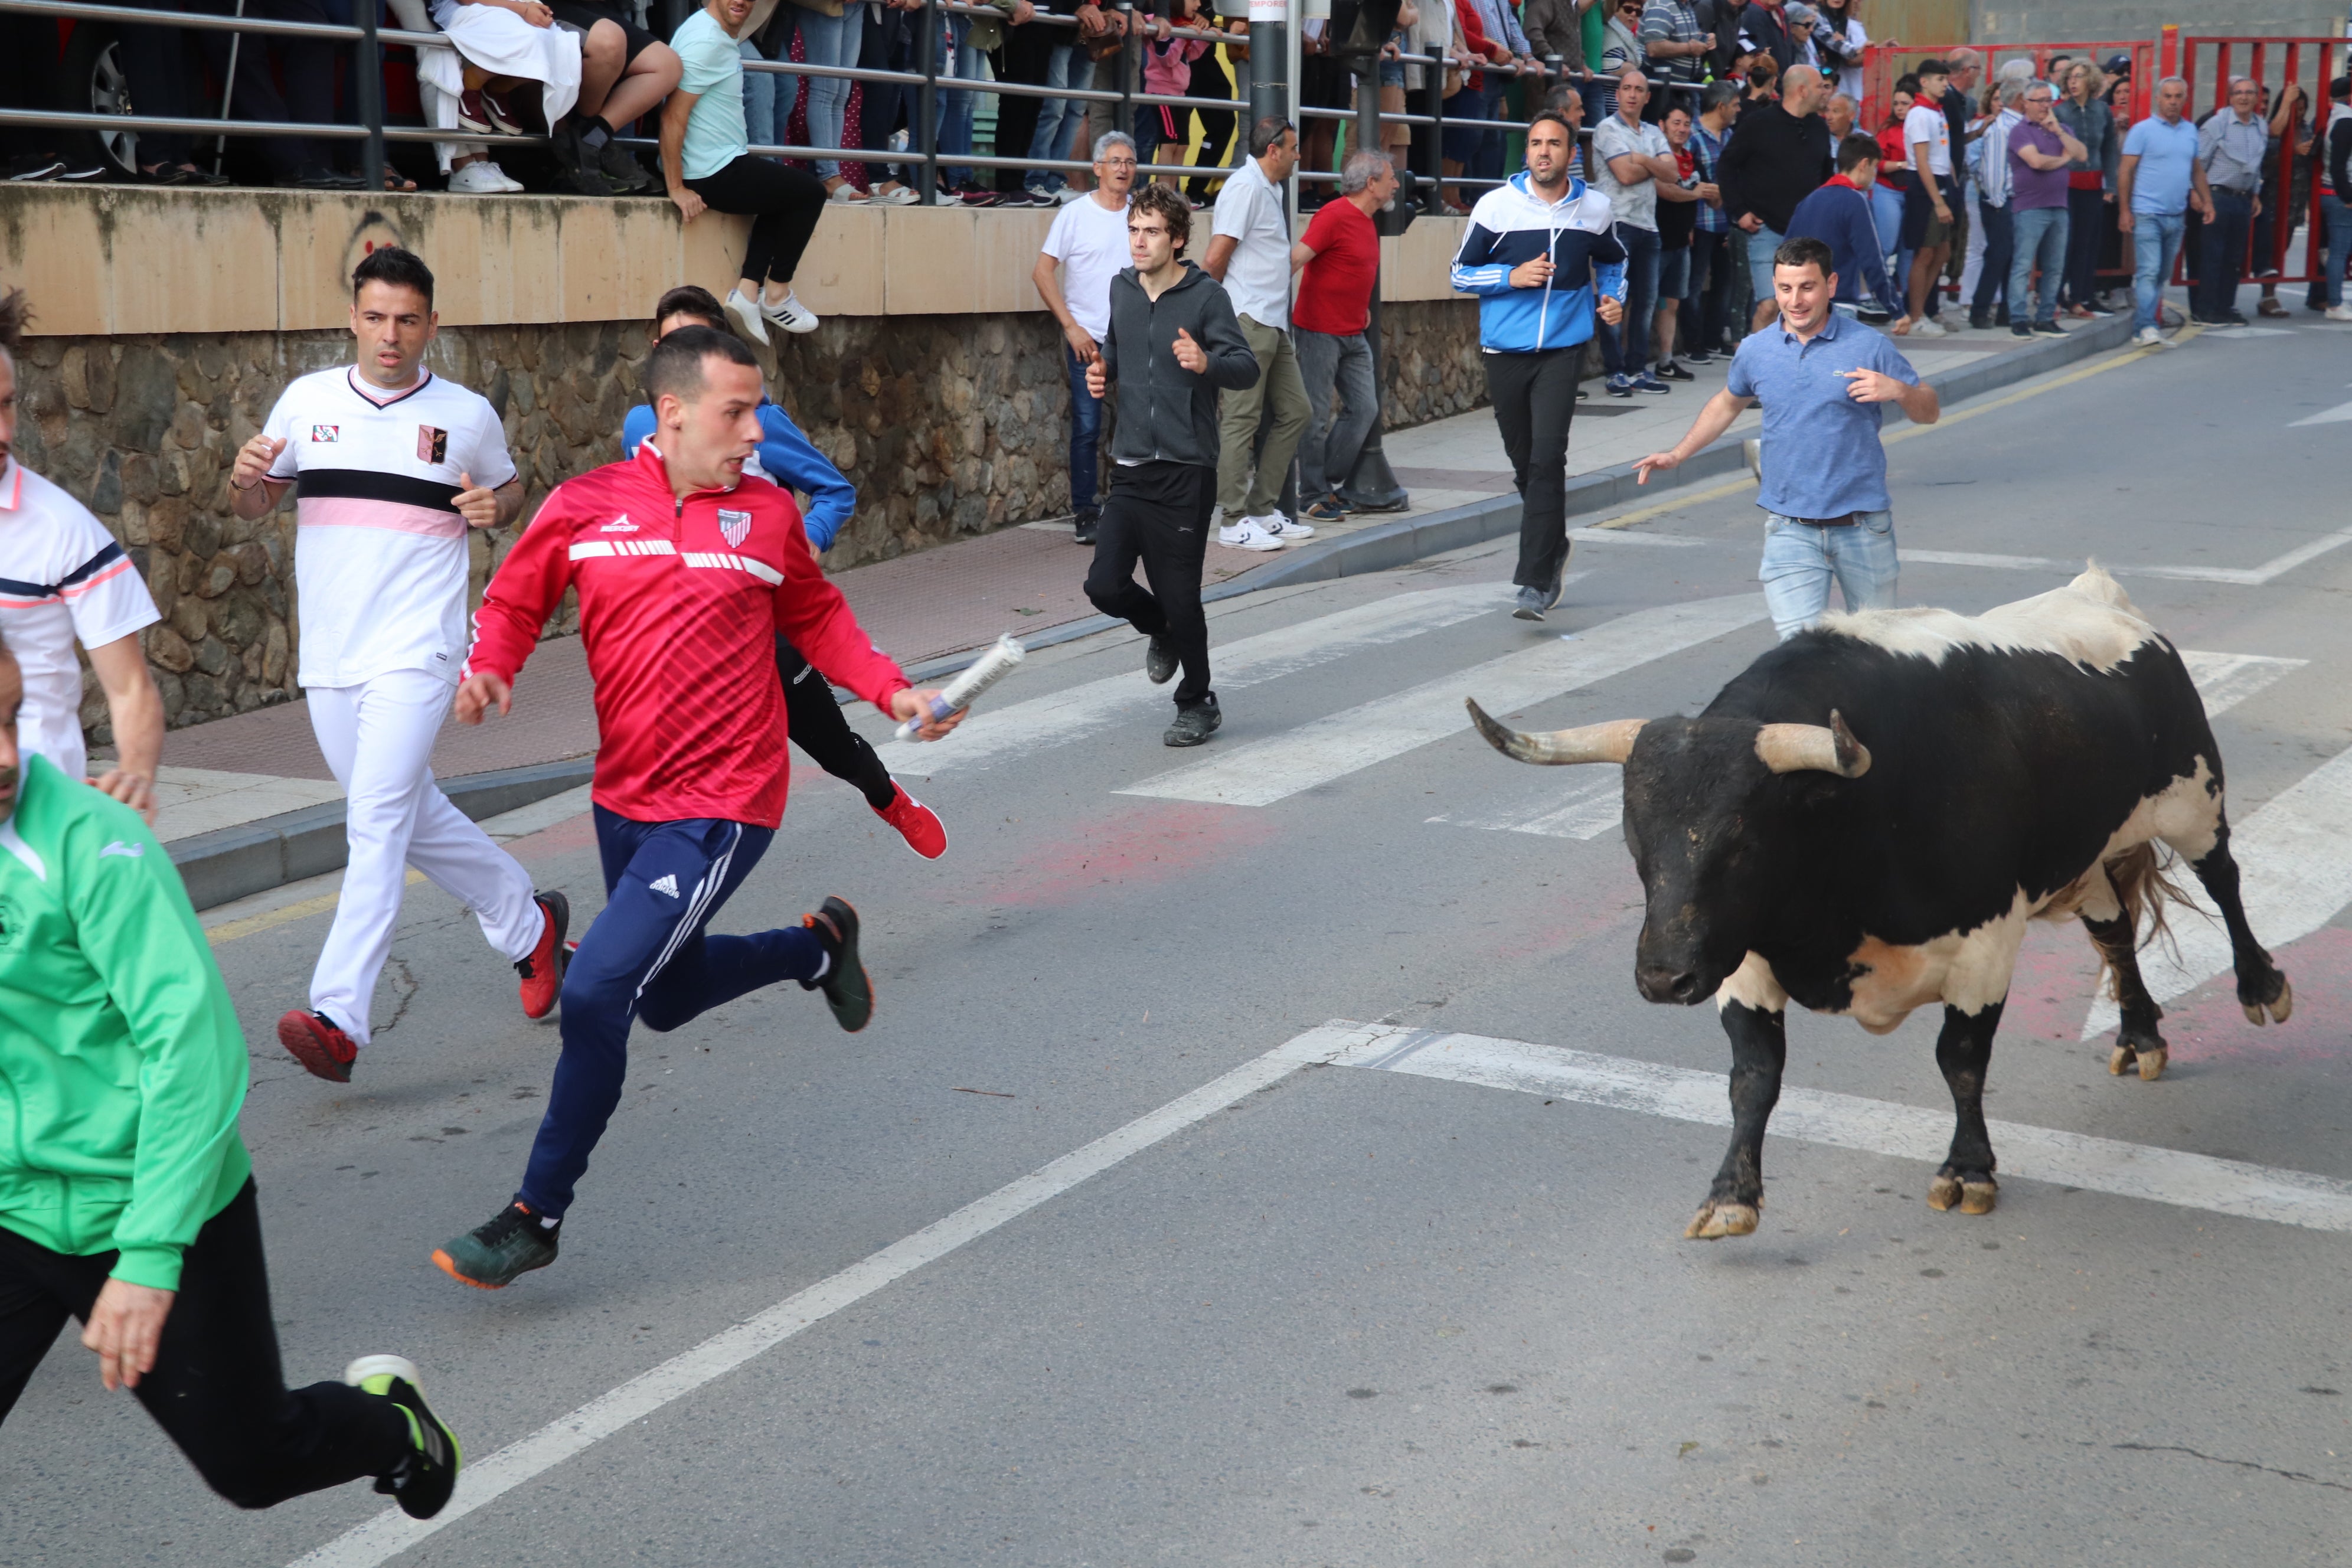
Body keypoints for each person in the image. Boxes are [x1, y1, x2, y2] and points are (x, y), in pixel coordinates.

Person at [434, 328, 961, 1289]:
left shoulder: (764, 518)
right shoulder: (585, 506)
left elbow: (816, 618)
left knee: (595, 988)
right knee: (666, 995)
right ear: (671, 412)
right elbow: (514, 602)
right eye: (737, 410)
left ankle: (534, 1213)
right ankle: (816, 949)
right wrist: (492, 668)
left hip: (723, 802)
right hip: (625, 796)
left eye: (758, 409)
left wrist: (892, 693)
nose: (756, 432)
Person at [0, 628, 465, 1519]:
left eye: (12, 718)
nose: (6, 756)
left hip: (145, 1199)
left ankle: (392, 1426)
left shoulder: (90, 845)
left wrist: (146, 1254)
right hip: (11, 1207)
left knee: (254, 1463)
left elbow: (194, 1049)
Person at [229, 249, 563, 1086]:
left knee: (375, 822)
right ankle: (529, 928)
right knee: (406, 810)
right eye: (376, 317)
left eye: (407, 320)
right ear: (353, 317)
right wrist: (244, 482)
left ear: (431, 326)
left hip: (419, 649)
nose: (390, 335)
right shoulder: (306, 403)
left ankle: (339, 1015)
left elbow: (510, 491)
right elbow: (256, 498)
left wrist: (495, 509)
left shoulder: (466, 415)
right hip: (332, 654)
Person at [619, 288, 946, 857]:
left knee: (834, 748)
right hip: (685, 632)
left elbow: (834, 492)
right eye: (674, 346)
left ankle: (889, 798)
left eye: (700, 345)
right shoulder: (637, 427)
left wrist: (808, 541)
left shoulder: (762, 425)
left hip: (766, 621)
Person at [1633, 234, 1937, 639]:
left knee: (1876, 653)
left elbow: (1929, 410)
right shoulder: (1757, 350)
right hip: (1790, 528)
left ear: (1830, 285)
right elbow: (1727, 403)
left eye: (1807, 287)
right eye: (1785, 288)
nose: (1795, 300)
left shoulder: (1868, 345)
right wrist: (1677, 454)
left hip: (1862, 526)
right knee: (1799, 658)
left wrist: (1900, 391)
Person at [1082, 183, 1260, 748]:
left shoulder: (1206, 299)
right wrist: (1102, 372)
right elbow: (1117, 346)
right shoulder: (1122, 289)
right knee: (1104, 585)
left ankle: (1198, 702)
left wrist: (1206, 361)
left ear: (1177, 240)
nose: (1139, 241)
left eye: (1152, 231)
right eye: (1134, 230)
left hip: (1187, 469)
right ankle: (1158, 627)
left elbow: (1245, 366)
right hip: (1132, 466)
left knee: (1182, 593)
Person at [1450, 109, 1628, 622]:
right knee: (1526, 463)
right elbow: (1460, 274)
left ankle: (1534, 581)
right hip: (1504, 352)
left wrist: (1613, 297)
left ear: (1572, 154)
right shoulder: (1496, 207)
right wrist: (1512, 275)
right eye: (1535, 144)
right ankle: (1555, 544)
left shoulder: (1594, 209)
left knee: (1549, 458)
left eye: (1554, 143)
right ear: (1526, 152)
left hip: (1563, 351)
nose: (1544, 152)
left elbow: (1614, 261)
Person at [0, 290, 165, 821]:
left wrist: (134, 778)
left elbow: (131, 688)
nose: (4, 432)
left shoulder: (64, 529)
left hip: (40, 816)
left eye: (5, 405)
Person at [664, 0, 830, 341]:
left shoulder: (712, 32)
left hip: (721, 160)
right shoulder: (706, 40)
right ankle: (777, 294)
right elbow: (672, 117)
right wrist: (676, 186)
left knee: (782, 193)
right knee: (810, 193)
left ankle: (748, 292)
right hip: (710, 171)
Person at [1205, 118, 1314, 550]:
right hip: (1247, 320)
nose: (1298, 155)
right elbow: (1216, 257)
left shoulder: (1272, 187)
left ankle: (1261, 509)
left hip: (1273, 321)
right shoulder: (1246, 187)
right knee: (1241, 420)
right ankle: (1232, 522)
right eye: (1293, 148)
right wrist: (1204, 315)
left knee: (1297, 411)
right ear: (1273, 150)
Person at [1034, 134, 1139, 546]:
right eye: (1114, 161)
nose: (1123, 168)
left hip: (1134, 338)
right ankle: (1086, 511)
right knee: (1088, 428)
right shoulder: (1075, 214)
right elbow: (1043, 273)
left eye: (1130, 161)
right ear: (1097, 168)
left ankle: (1134, 507)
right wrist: (1071, 327)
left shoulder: (1141, 214)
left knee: (1138, 423)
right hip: (1088, 341)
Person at [1292, 149, 1398, 522]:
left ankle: (1324, 482)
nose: (1396, 184)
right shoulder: (1334, 215)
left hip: (1354, 333)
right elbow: (1295, 260)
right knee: (1316, 416)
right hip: (1319, 331)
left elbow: (1352, 269)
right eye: (1391, 178)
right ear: (1372, 184)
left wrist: (1360, 307)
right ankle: (1312, 494)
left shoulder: (1367, 220)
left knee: (1365, 408)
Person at [1718, 61, 1834, 332]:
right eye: (1820, 87)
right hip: (1766, 229)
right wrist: (1739, 211)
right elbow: (1727, 165)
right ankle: (1756, 369)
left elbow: (1827, 176)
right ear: (1802, 91)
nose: (1825, 92)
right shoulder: (1759, 123)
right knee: (1770, 305)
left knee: (1807, 306)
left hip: (1809, 232)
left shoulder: (1820, 128)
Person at [1592, 70, 1676, 394]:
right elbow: (1625, 175)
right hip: (1616, 225)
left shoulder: (1653, 132)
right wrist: (1650, 164)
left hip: (1648, 226)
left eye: (1638, 90)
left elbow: (1671, 174)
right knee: (1614, 298)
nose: (1631, 94)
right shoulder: (1606, 128)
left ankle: (1638, 369)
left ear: (1647, 97)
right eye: (1626, 88)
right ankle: (1615, 372)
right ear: (1618, 94)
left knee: (1646, 302)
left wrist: (1641, 158)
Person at [2119, 76, 2211, 348]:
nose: (2173, 102)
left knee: (2161, 274)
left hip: (2176, 214)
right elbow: (2125, 170)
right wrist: (2125, 210)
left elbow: (2195, 169)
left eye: (2178, 97)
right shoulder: (2142, 130)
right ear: (2158, 99)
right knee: (2149, 271)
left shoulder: (2190, 131)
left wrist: (2207, 201)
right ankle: (2146, 327)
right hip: (2147, 212)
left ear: (2185, 99)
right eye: (2168, 96)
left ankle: (2144, 328)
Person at [1785, 133, 1905, 320]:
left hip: (1802, 305)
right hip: (1839, 303)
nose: (1874, 175)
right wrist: (1895, 309)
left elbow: (1786, 254)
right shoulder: (1856, 201)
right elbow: (1873, 260)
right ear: (1864, 165)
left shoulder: (1809, 200)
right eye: (1874, 168)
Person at [2004, 79, 2083, 339]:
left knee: (2055, 266)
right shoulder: (2021, 131)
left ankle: (2046, 318)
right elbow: (2035, 161)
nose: (2046, 106)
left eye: (2049, 100)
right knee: (2023, 265)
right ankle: (2018, 318)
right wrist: (2062, 160)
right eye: (2040, 101)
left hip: (2059, 206)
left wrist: (2059, 132)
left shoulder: (2061, 128)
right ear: (2026, 103)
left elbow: (2081, 154)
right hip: (2030, 207)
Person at [2193, 76, 2267, 328]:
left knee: (2234, 259)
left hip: (2243, 199)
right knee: (2213, 256)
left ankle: (2226, 307)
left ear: (2257, 98)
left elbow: (2257, 165)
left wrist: (2255, 193)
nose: (2244, 98)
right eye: (2238, 93)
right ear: (2230, 98)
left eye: (2249, 93)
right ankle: (2206, 310)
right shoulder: (2217, 125)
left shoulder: (2261, 126)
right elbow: (2198, 163)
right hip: (2217, 197)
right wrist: (2197, 195)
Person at [2056, 59, 2119, 317]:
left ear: (2090, 80)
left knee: (2088, 243)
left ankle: (2082, 296)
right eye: (2070, 77)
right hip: (2066, 185)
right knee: (2065, 243)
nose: (2073, 81)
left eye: (2079, 76)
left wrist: (2111, 184)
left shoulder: (2102, 111)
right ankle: (2056, 296)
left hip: (2093, 185)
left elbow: (2109, 150)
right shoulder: (2060, 112)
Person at [1900, 57, 1955, 336]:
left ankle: (1922, 309)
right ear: (1924, 82)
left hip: (1941, 181)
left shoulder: (1937, 112)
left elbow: (1942, 155)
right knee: (1925, 252)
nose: (1945, 84)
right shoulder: (1920, 114)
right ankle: (1916, 314)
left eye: (1946, 79)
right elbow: (1922, 162)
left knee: (1942, 250)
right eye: (1940, 79)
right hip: (1926, 187)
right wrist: (1939, 201)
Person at [1651, 102, 1707, 374]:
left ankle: (1665, 362)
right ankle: (1626, 367)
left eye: (1687, 124)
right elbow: (1667, 192)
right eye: (1676, 123)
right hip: (1654, 242)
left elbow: (1716, 196)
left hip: (1681, 244)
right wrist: (1698, 193)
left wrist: (1707, 192)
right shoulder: (1655, 157)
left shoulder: (1691, 160)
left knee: (1670, 303)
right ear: (1662, 126)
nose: (1683, 129)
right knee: (1638, 304)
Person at [1685, 81, 1739, 362]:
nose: (1738, 110)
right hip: (1699, 221)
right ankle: (1694, 344)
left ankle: (1714, 339)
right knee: (1694, 285)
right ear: (1721, 106)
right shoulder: (1692, 135)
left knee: (1724, 283)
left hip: (1725, 222)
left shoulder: (1731, 136)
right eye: (1735, 105)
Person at [1965, 78, 2024, 329]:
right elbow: (1992, 171)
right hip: (2000, 201)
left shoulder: (2016, 125)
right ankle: (1980, 311)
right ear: (2021, 99)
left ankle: (2005, 312)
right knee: (1997, 256)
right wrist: (1998, 201)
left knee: (2010, 257)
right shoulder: (2002, 128)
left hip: (2011, 201)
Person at [2318, 76, 2352, 322]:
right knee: (2339, 252)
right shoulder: (2345, 123)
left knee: (2337, 251)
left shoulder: (2335, 120)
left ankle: (2334, 300)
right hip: (2340, 194)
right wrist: (2348, 196)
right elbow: (2339, 166)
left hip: (2334, 192)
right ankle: (2335, 304)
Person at [1812, 0, 1866, 104]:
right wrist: (1857, 50)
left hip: (1836, 82)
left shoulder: (1844, 20)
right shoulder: (1817, 15)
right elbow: (1832, 41)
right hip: (1818, 79)